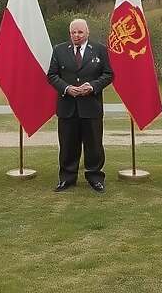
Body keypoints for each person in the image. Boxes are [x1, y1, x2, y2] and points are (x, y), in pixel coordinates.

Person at [47, 18, 114, 193]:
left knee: (94, 145)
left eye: (80, 32)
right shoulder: (59, 50)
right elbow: (52, 75)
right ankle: (67, 178)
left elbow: (108, 74)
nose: (76, 35)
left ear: (87, 32)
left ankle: (95, 177)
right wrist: (66, 88)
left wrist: (92, 86)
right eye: (73, 32)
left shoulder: (99, 50)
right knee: (67, 145)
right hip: (67, 107)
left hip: (91, 107)